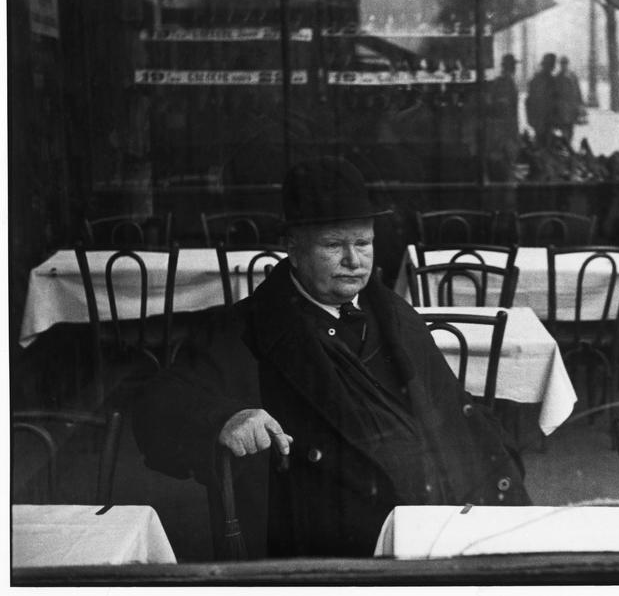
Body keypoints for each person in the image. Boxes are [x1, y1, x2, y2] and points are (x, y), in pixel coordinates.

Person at [133, 157, 530, 558]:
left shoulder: (395, 313)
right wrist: (224, 417)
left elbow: (451, 411)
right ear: (293, 246)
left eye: (363, 243)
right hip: (323, 532)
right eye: (333, 245)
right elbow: (155, 404)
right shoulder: (245, 328)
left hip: (429, 520)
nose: (353, 261)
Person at [486, 53, 521, 180]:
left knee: (506, 158)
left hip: (506, 126)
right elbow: (499, 104)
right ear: (508, 66)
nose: (515, 67)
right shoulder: (503, 81)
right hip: (504, 127)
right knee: (503, 158)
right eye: (513, 65)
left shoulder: (509, 80)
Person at [525, 52, 557, 148]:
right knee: (542, 146)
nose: (552, 68)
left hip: (547, 120)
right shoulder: (538, 80)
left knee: (545, 145)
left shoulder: (551, 80)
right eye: (550, 65)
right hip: (541, 120)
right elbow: (530, 101)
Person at [554, 56, 584, 146]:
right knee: (564, 130)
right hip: (562, 109)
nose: (564, 66)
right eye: (562, 64)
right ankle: (566, 147)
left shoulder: (573, 76)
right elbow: (555, 94)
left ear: (568, 64)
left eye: (565, 64)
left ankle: (568, 145)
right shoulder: (558, 78)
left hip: (572, 108)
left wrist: (580, 105)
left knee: (571, 129)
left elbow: (578, 91)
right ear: (560, 65)